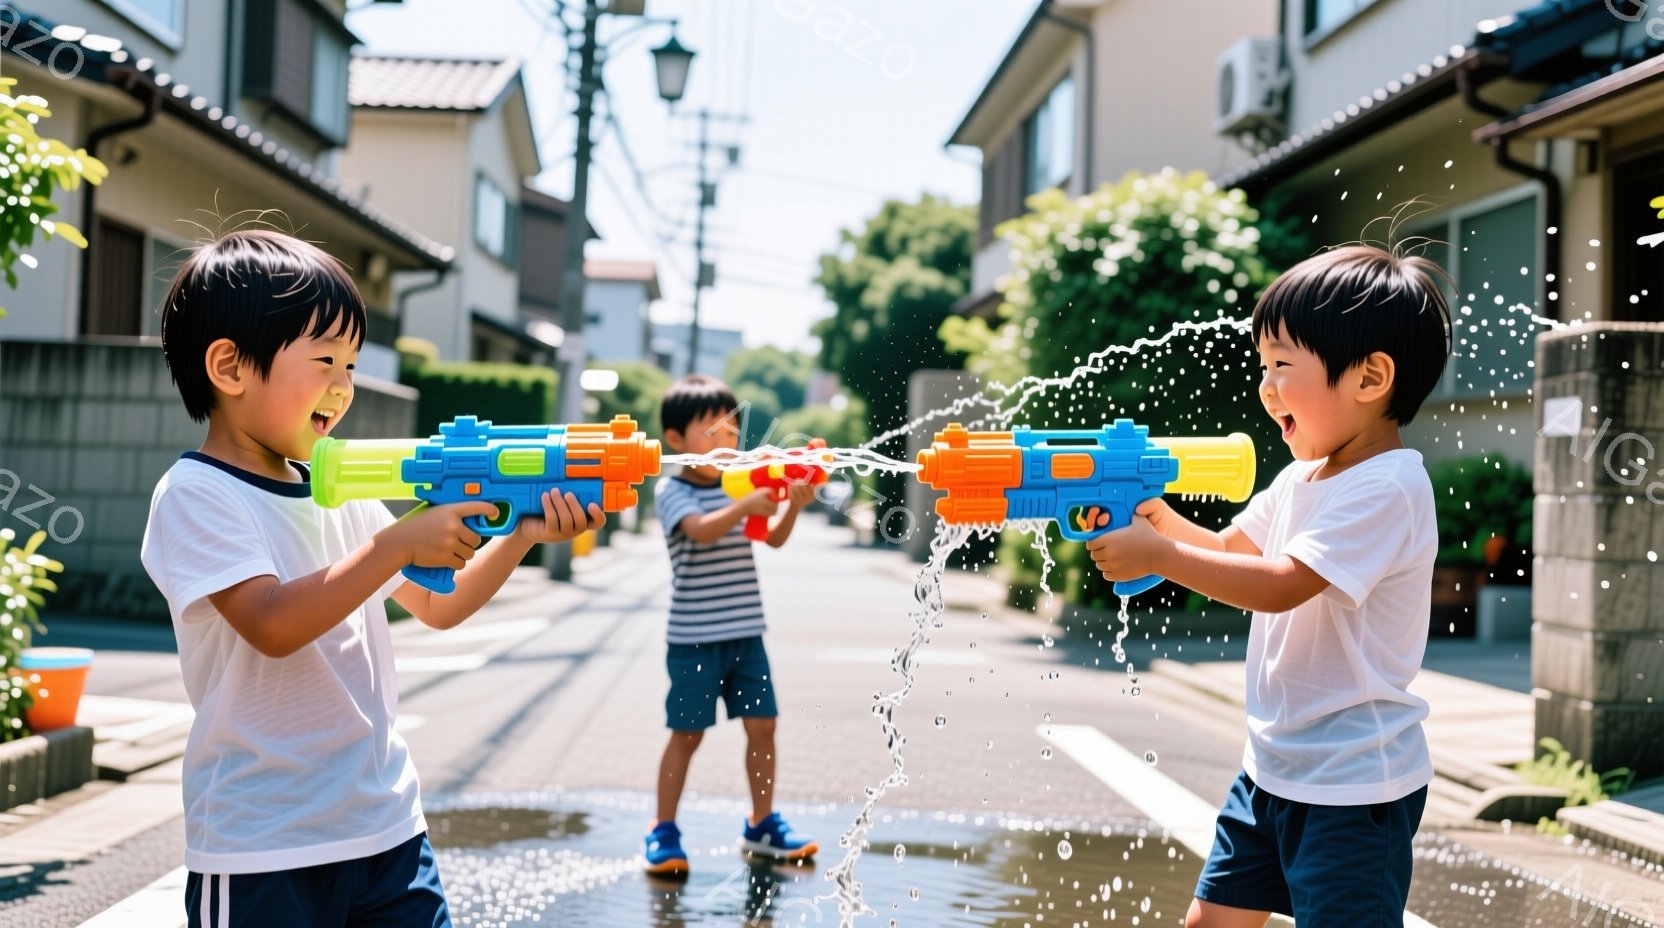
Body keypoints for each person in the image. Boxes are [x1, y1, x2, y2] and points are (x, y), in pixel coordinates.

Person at [140, 229, 602, 927]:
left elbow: (438, 608)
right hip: (263, 847)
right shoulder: (197, 494)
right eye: (325, 360)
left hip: (386, 827)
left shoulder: (341, 493)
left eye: (352, 365)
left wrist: (521, 533)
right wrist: (395, 543)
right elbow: (271, 623)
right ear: (230, 367)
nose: (342, 386)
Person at [1083, 244, 1452, 927]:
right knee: (1211, 923)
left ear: (1370, 377)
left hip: (1352, 783)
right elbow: (1228, 551)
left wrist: (1159, 555)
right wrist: (1159, 517)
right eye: (1264, 366)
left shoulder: (1389, 486)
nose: (1267, 386)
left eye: (1284, 365)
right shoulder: (1299, 478)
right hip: (1272, 768)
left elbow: (1281, 584)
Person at [642, 375, 819, 876]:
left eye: (731, 432)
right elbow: (699, 533)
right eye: (712, 433)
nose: (727, 443)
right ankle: (663, 829)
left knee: (764, 725)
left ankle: (762, 823)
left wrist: (792, 507)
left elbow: (772, 539)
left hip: (746, 632)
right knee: (686, 733)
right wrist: (745, 504)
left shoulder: (740, 484)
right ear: (676, 440)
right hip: (695, 638)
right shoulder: (671, 489)